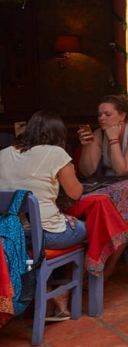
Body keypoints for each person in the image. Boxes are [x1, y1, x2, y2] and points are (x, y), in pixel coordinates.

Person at [0, 111, 86, 319]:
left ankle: (46, 289)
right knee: (85, 229)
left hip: (10, 235)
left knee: (56, 228)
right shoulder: (56, 154)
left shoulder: (3, 154)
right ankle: (62, 292)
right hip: (44, 234)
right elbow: (76, 193)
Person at [77, 95, 128, 183]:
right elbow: (87, 172)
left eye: (108, 114)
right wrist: (87, 146)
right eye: (99, 115)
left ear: (122, 116)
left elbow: (122, 171)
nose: (102, 118)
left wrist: (113, 139)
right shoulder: (99, 133)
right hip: (115, 184)